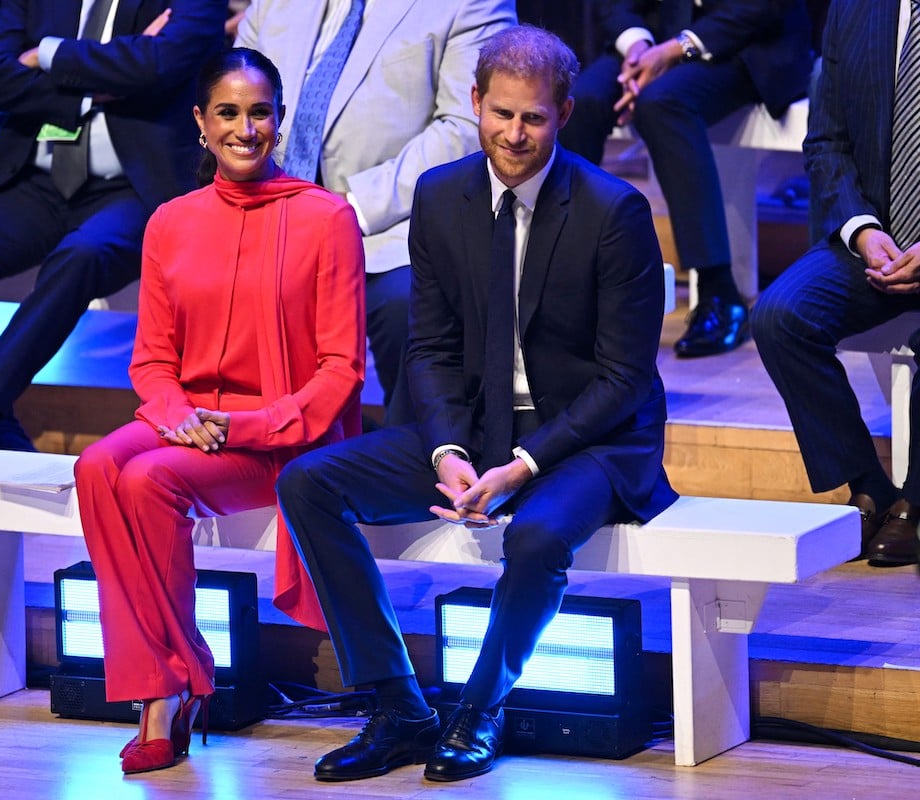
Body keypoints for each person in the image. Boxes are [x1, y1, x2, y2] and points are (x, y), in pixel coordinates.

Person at [276, 24, 677, 783]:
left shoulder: (613, 211)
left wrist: (522, 466)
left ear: (562, 111)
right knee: (308, 482)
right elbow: (428, 347)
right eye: (500, 114)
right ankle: (399, 709)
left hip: (587, 439)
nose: (514, 133)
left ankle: (479, 708)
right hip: (476, 428)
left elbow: (623, 379)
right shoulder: (441, 195)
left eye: (532, 117)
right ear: (474, 104)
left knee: (534, 538)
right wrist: (448, 452)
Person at [74, 48, 366, 775]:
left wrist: (245, 426)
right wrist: (177, 416)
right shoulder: (170, 222)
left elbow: (341, 371)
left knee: (146, 483)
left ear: (279, 120)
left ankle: (163, 695)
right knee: (95, 465)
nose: (245, 128)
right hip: (188, 421)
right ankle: (174, 671)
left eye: (259, 112)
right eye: (228, 113)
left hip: (278, 437)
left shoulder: (326, 219)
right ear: (201, 123)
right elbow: (151, 361)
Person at [0, 0, 226, 455]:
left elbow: (155, 66)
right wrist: (91, 90)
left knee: (82, 254)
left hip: (133, 188)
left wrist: (47, 55)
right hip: (37, 182)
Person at [236, 0, 516, 425]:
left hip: (391, 223)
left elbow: (464, 127)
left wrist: (347, 208)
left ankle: (415, 465)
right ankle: (243, 451)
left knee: (409, 302)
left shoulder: (469, 4)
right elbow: (234, 96)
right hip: (269, 214)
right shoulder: (273, 5)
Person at [752, 0, 920, 569]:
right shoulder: (855, 9)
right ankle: (869, 485)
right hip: (874, 237)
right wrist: (863, 229)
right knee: (779, 316)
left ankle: (917, 506)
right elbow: (826, 142)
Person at [558, 0, 812, 358]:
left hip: (753, 44)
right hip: (653, 35)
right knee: (580, 102)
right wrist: (638, 47)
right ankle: (571, 281)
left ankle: (720, 292)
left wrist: (677, 50)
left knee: (663, 103)